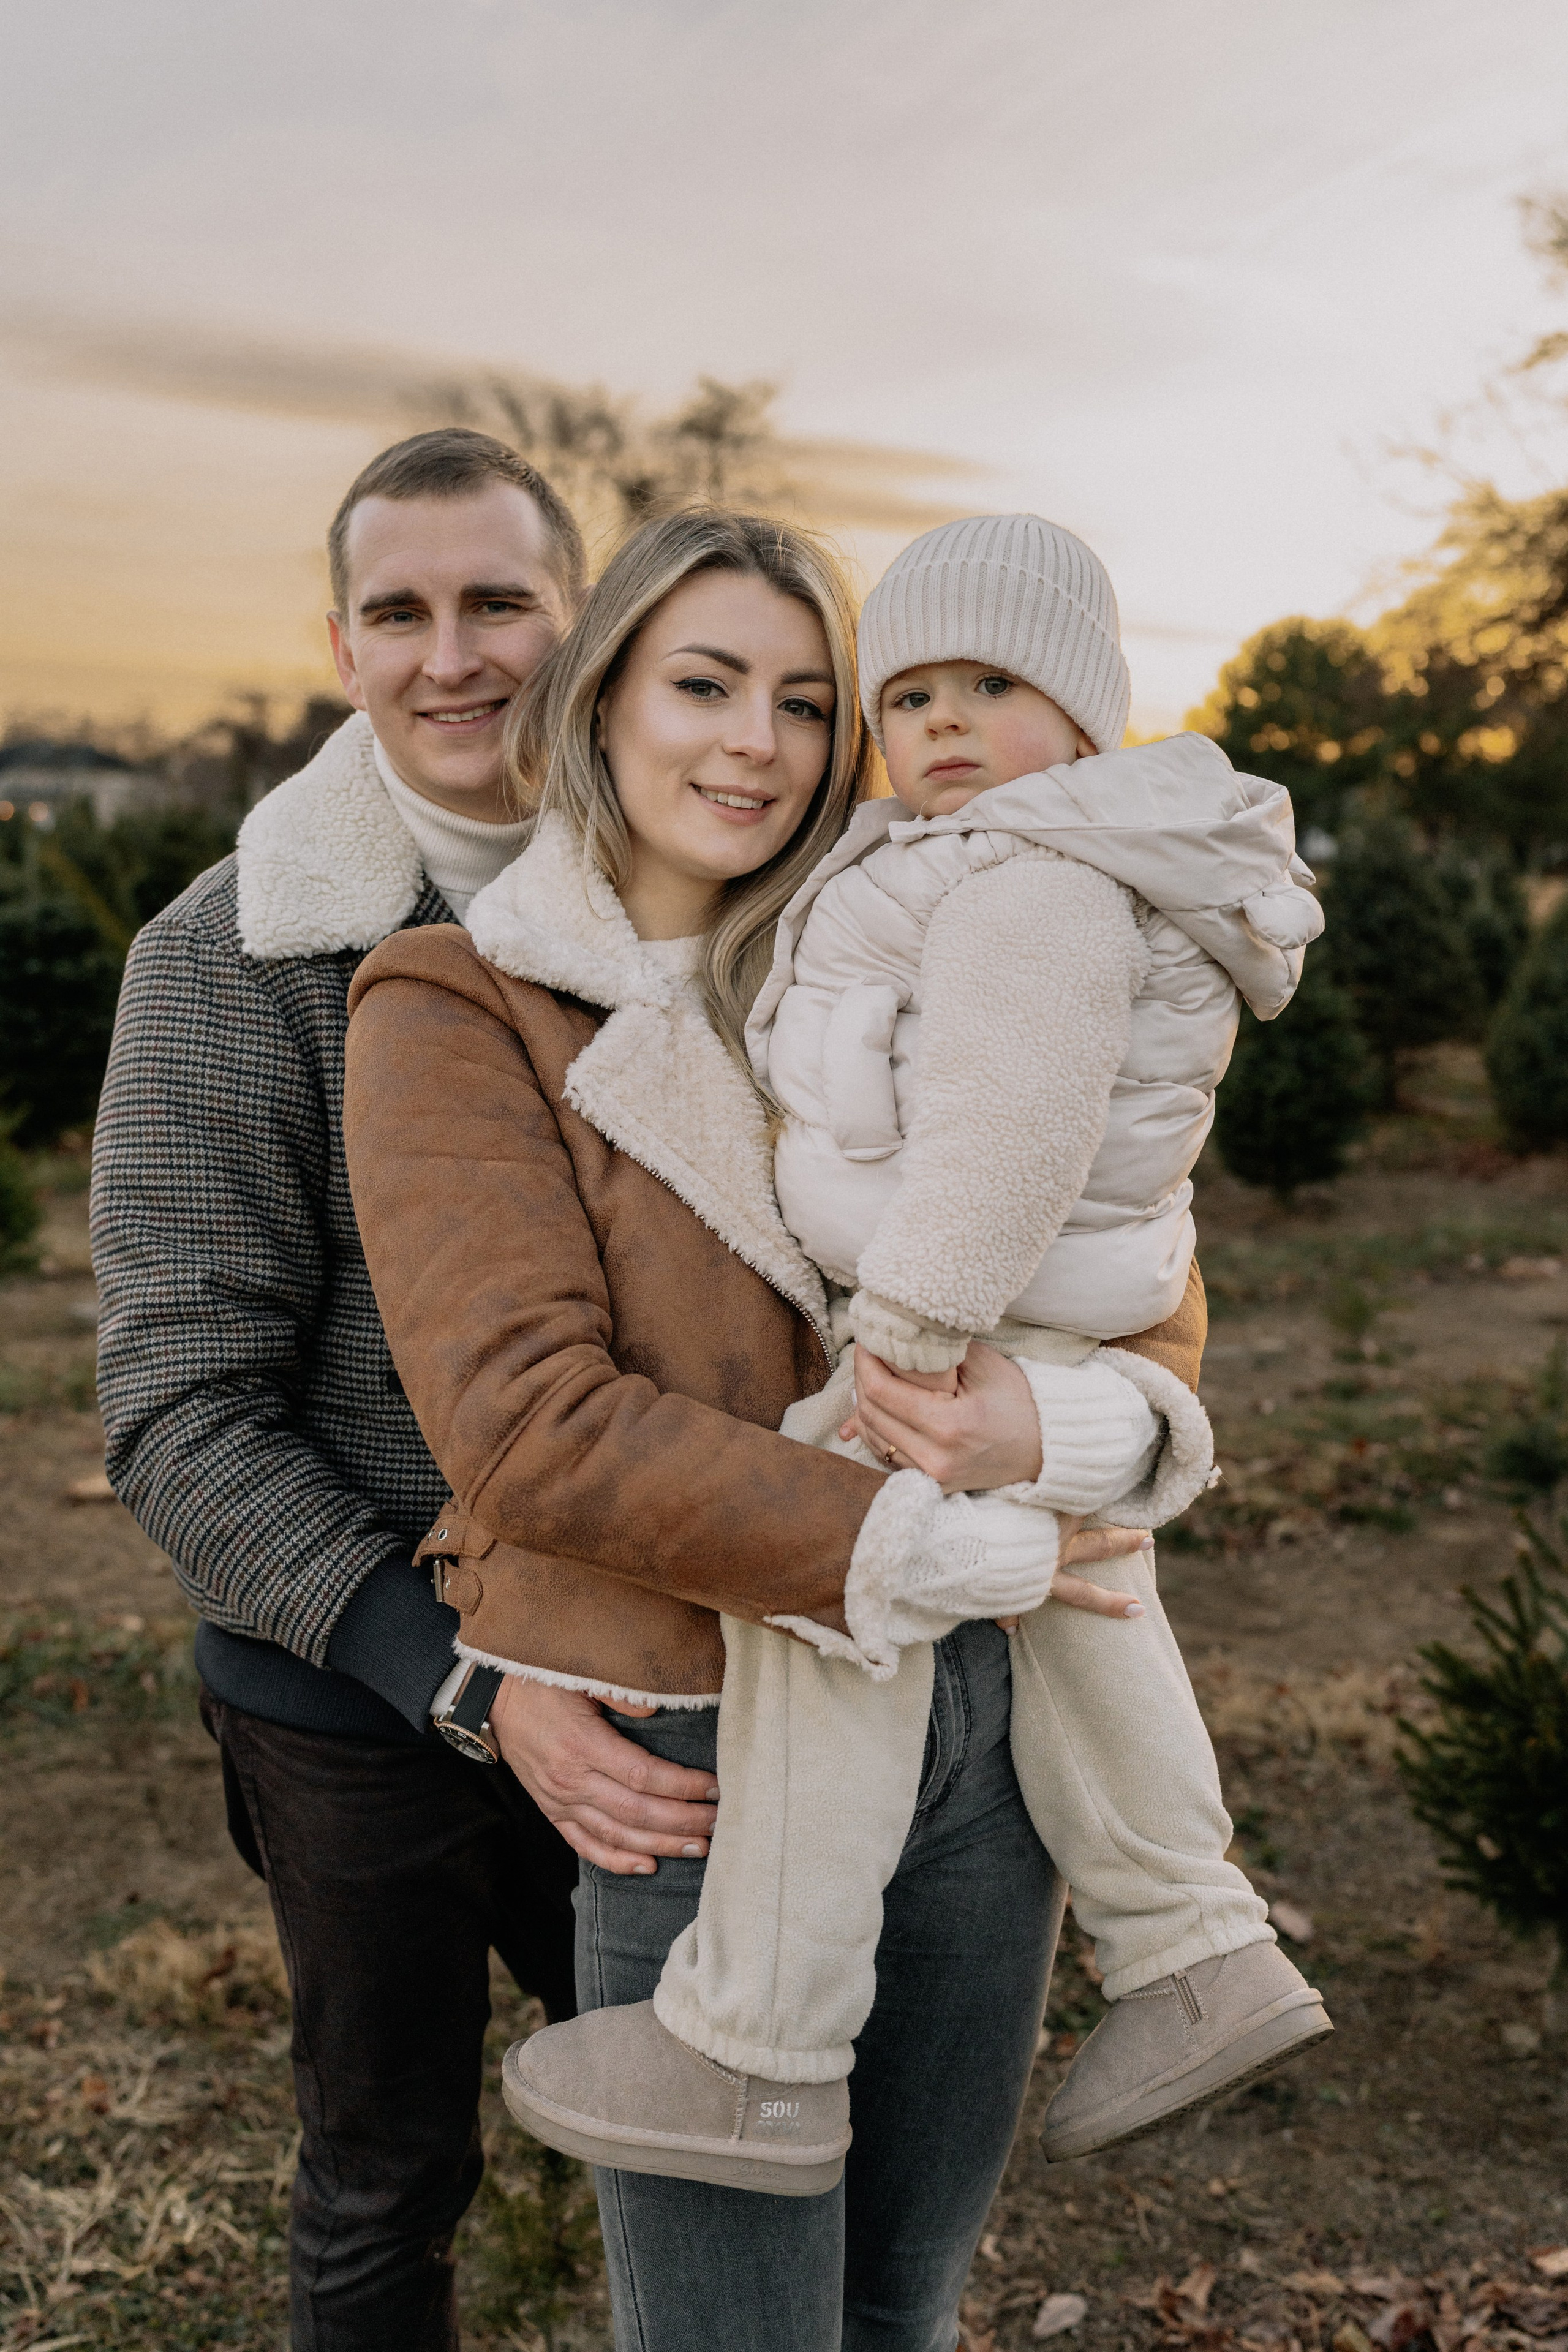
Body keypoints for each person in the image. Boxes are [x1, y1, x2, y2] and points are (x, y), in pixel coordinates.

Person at [341, 507, 1212, 2352]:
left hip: (987, 1725)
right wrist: (919, 1535)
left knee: (902, 2305)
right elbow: (528, 1423)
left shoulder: (898, 950)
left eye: (806, 702)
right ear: (601, 705)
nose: (757, 740)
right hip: (704, 1747)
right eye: (704, 684)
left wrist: (1052, 1434)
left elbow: (1128, 1270)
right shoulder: (461, 1005)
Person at [504, 514, 1333, 2197]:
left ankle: (756, 2044)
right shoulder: (962, 857)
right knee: (1087, 1612)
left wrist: (906, 1339)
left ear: (1090, 719)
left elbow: (1007, 1138)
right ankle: (1196, 1947)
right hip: (1019, 1319)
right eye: (916, 694)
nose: (945, 723)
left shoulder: (1027, 874)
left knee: (828, 1605)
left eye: (996, 686)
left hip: (961, 1312)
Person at [91, 428, 725, 2352]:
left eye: (500, 605)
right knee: (386, 2171)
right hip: (358, 1685)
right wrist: (459, 1678)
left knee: (716, 2127)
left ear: (586, 625)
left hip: (662, 1655)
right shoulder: (225, 959)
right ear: (345, 644)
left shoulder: (701, 915)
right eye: (400, 612)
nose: (453, 657)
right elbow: (180, 1409)